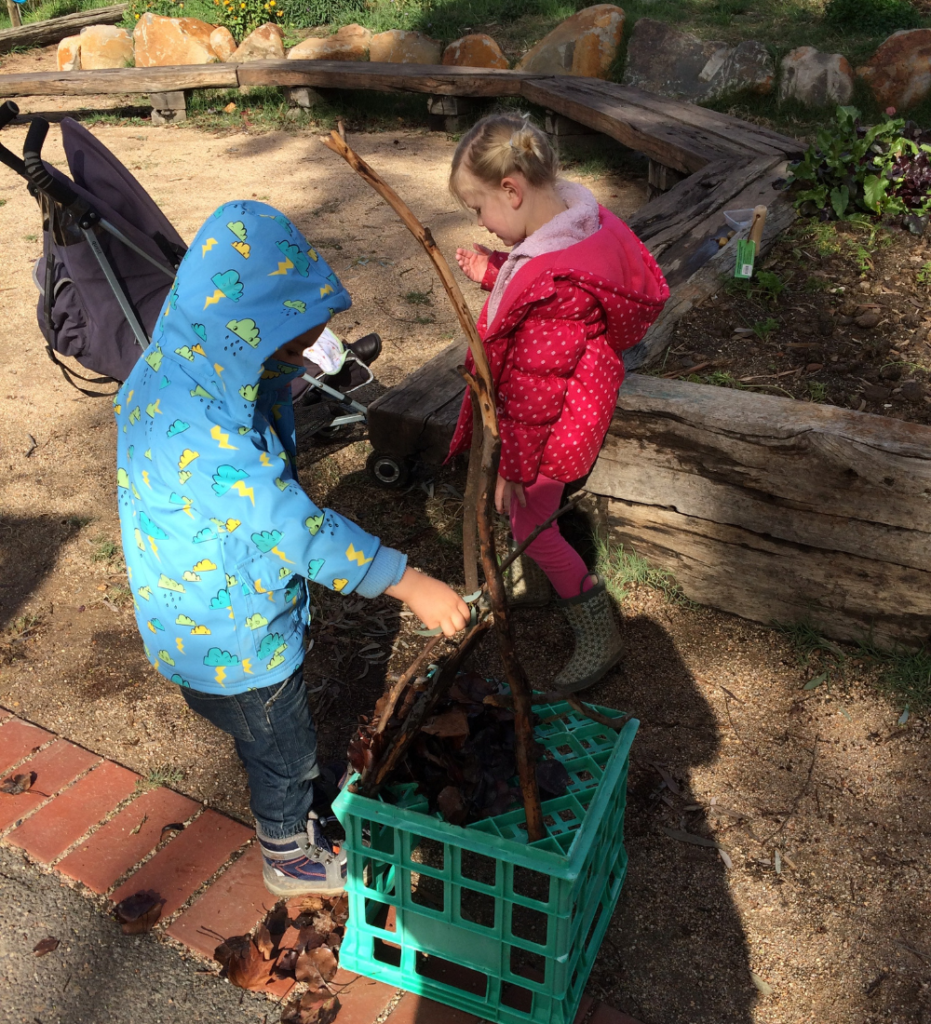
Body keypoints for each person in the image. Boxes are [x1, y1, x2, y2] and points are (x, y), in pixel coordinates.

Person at [114, 201, 469, 897]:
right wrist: (407, 580)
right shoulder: (204, 436)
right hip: (235, 638)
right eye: (289, 346)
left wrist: (273, 370)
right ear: (243, 328)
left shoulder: (183, 368)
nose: (305, 356)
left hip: (189, 610)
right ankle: (289, 856)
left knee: (271, 741)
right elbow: (294, 527)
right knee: (283, 754)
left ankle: (297, 810)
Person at [447, 114, 669, 694]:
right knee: (523, 514)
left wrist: (517, 470)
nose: (482, 223)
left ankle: (596, 625)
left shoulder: (559, 287)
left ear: (511, 190)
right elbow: (535, 274)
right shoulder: (571, 222)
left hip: (556, 423)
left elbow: (535, 388)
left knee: (529, 517)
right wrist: (494, 270)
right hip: (563, 404)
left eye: (478, 209)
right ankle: (538, 585)